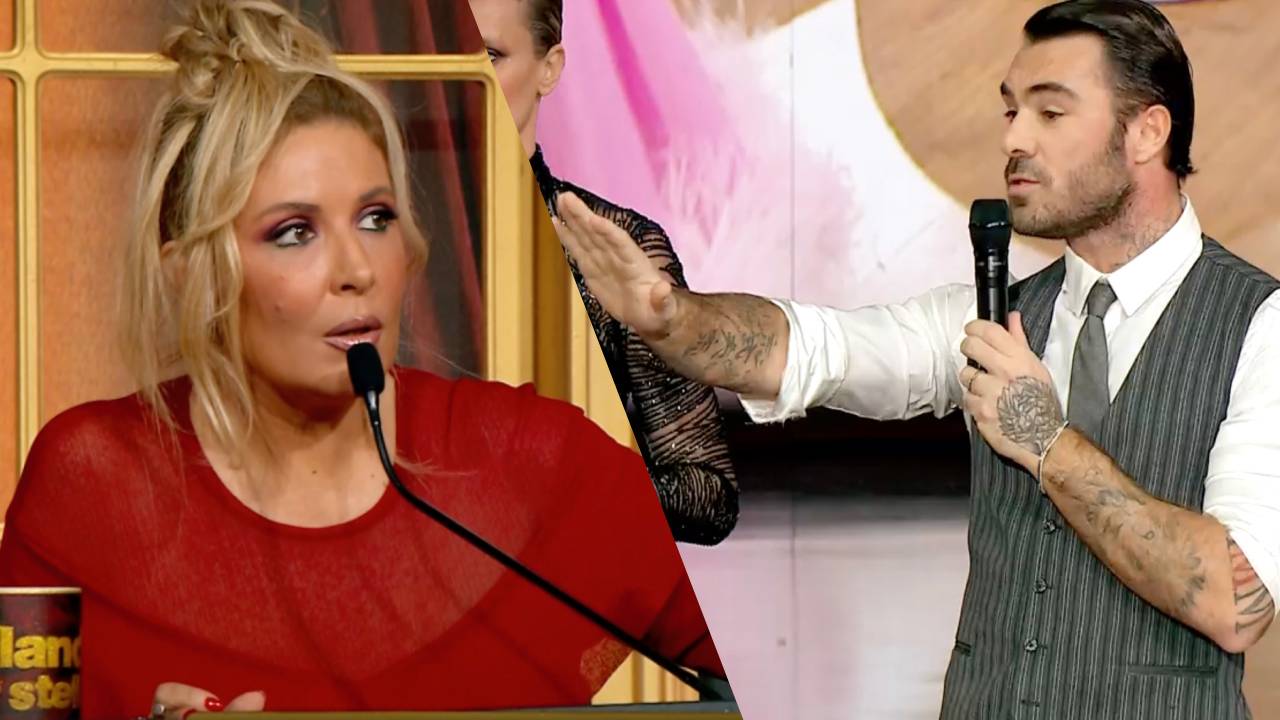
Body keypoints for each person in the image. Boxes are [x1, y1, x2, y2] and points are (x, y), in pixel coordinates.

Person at [555, 1, 1280, 717]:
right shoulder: (990, 316)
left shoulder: (1260, 326)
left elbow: (1235, 603)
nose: (1015, 137)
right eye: (1011, 110)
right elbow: (813, 348)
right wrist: (673, 317)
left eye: (1051, 112)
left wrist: (1047, 443)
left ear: (1148, 131)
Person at [0, 1, 724, 717]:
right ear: (193, 275)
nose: (357, 269)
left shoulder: (537, 464)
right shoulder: (89, 485)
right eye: (294, 232)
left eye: (376, 219)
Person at [468, 0, 739, 545]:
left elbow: (708, 491)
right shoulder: (371, 242)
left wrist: (574, 484)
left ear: (549, 68)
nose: (467, 80)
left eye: (491, 56)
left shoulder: (619, 247)